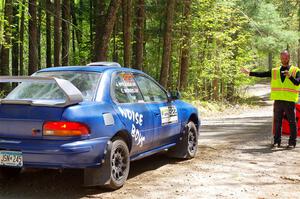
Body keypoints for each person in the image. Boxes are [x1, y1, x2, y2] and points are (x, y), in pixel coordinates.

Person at [241, 50, 300, 148]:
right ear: (280, 58)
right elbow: (263, 74)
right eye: (282, 58)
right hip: (278, 100)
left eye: (285, 58)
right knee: (277, 122)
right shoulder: (275, 70)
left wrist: (290, 77)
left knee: (292, 122)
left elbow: (297, 82)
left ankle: (292, 143)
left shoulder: (296, 70)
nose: (284, 59)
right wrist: (249, 73)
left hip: (289, 101)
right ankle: (277, 142)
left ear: (289, 58)